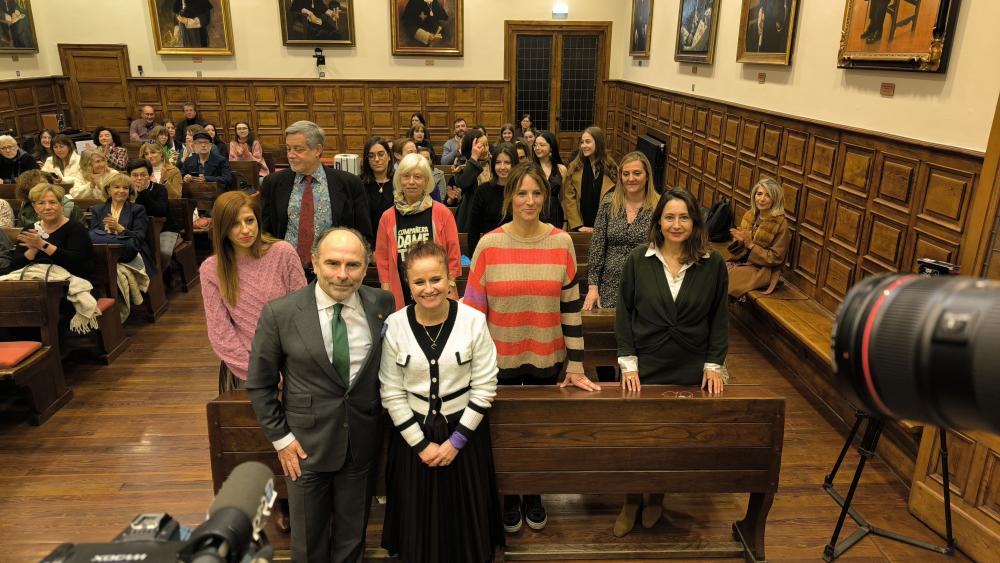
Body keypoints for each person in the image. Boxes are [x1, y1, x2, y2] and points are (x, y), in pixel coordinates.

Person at [464, 161, 600, 534]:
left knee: (538, 432)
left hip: (546, 357)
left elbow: (571, 309)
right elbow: (472, 315)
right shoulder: (489, 245)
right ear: (510, 196)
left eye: (536, 193)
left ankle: (534, 492)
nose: (529, 200)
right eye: (521, 193)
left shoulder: (561, 242)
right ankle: (509, 494)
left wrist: (575, 365)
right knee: (505, 434)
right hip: (498, 360)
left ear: (546, 196)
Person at [247, 227, 395, 563]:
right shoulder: (280, 313)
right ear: (313, 261)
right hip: (304, 447)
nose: (342, 275)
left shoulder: (382, 304)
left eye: (353, 265)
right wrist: (281, 439)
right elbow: (260, 383)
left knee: (352, 536)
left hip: (361, 440)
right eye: (332, 263)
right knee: (309, 541)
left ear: (367, 264)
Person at [379, 240, 503, 562]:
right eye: (419, 282)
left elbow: (485, 385)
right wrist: (421, 445)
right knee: (419, 522)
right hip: (413, 439)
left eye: (436, 279)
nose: (429, 288)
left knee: (463, 523)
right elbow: (391, 392)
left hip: (463, 435)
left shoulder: (473, 321)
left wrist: (456, 441)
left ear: (450, 278)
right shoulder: (395, 326)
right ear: (408, 283)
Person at [613, 188, 728, 536]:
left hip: (689, 369)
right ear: (658, 221)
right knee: (637, 438)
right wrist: (628, 363)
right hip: (646, 366)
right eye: (669, 217)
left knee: (669, 440)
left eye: (684, 218)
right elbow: (624, 313)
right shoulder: (638, 259)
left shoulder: (712, 263)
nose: (676, 225)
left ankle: (656, 498)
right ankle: (632, 499)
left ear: (695, 222)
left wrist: (713, 365)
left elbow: (719, 318)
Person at [202, 191, 306, 391]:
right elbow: (220, 333)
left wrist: (292, 366)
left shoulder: (283, 253)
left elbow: (303, 313)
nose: (245, 230)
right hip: (245, 370)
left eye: (249, 220)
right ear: (222, 228)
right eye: (234, 224)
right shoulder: (211, 269)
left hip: (293, 363)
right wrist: (258, 373)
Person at [259, 120, 372, 273]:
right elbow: (266, 231)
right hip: (286, 269)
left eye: (298, 149)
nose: (291, 155)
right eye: (288, 149)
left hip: (334, 272)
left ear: (317, 150)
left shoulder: (349, 184)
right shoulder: (273, 183)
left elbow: (362, 234)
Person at [375, 153, 461, 310]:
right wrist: (386, 288)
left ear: (426, 181)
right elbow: (382, 259)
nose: (411, 182)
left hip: (437, 290)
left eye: (418, 177)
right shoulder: (388, 217)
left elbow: (453, 253)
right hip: (400, 291)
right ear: (399, 180)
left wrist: (449, 284)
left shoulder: (442, 212)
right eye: (406, 176)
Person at [584, 151, 660, 310]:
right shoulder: (608, 203)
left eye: (637, 173)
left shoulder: (659, 207)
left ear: (647, 176)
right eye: (626, 174)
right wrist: (593, 287)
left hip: (647, 285)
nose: (631, 178)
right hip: (609, 285)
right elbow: (597, 247)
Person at [10, 183, 93, 280]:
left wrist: (42, 245)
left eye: (52, 202)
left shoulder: (76, 228)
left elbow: (77, 265)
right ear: (35, 207)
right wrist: (32, 251)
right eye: (41, 203)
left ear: (61, 205)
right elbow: (14, 267)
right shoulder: (30, 230)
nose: (47, 207)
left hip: (69, 283)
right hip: (33, 281)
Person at [727, 178, 789, 298]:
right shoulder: (750, 215)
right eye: (759, 194)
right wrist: (739, 242)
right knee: (713, 270)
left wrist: (750, 245)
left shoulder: (781, 224)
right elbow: (738, 253)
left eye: (768, 195)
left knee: (727, 280)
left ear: (775, 199)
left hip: (763, 270)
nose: (762, 199)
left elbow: (776, 258)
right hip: (744, 263)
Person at [88, 174, 155, 274]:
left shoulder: (137, 209)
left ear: (129, 191)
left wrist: (121, 229)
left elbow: (140, 237)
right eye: (116, 187)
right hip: (104, 251)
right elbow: (93, 234)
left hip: (128, 252)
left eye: (125, 188)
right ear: (108, 190)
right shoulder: (98, 209)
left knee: (131, 243)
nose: (121, 191)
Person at [563, 126, 618, 232]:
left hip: (605, 227)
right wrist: (578, 226)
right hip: (580, 226)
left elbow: (617, 197)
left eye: (588, 142)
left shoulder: (612, 167)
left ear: (598, 143)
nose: (584, 146)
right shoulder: (574, 167)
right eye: (582, 142)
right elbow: (570, 199)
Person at [128, 158, 181, 267]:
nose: (139, 178)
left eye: (143, 175)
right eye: (135, 175)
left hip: (165, 229)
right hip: (138, 231)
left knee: (163, 252)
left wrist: (143, 193)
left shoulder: (159, 189)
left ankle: (161, 279)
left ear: (150, 175)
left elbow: (160, 211)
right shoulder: (126, 191)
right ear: (129, 176)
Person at [466, 143, 516, 255]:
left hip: (517, 250)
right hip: (491, 250)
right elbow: (474, 229)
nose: (502, 167)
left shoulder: (520, 190)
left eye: (507, 162)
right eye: (498, 162)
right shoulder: (483, 190)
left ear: (515, 164)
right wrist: (474, 257)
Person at [449, 130, 491, 232]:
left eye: (487, 145)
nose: (486, 149)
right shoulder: (462, 165)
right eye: (481, 146)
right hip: (470, 217)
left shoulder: (494, 163)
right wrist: (474, 158)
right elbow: (463, 183)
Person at [16, 170, 84, 228]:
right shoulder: (25, 210)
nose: (42, 189)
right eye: (36, 187)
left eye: (44, 185)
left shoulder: (72, 208)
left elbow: (82, 235)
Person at [360, 137, 395, 243]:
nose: (376, 159)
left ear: (389, 156)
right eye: (371, 156)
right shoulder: (358, 184)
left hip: (394, 241)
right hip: (367, 244)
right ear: (367, 159)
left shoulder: (399, 182)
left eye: (381, 154)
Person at [531, 131, 567, 229]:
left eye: (542, 145)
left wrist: (565, 221)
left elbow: (563, 198)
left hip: (555, 213)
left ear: (551, 147)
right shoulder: (530, 169)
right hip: (536, 211)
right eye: (535, 145)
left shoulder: (561, 169)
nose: (537, 148)